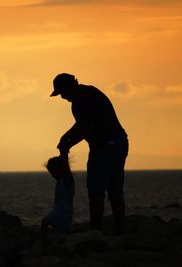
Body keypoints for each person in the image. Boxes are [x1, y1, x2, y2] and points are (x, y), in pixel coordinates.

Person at [51, 73, 129, 235]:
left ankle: (96, 231)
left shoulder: (80, 100)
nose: (62, 97)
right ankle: (120, 230)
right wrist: (66, 137)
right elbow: (82, 124)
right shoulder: (89, 92)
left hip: (103, 148)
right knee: (115, 190)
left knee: (96, 191)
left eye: (62, 93)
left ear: (68, 87)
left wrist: (67, 145)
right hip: (120, 142)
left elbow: (87, 127)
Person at [41, 156, 75, 243]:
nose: (52, 176)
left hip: (63, 213)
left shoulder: (67, 181)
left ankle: (43, 242)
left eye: (53, 173)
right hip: (59, 212)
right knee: (65, 232)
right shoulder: (61, 181)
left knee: (45, 222)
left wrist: (63, 152)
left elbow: (66, 169)